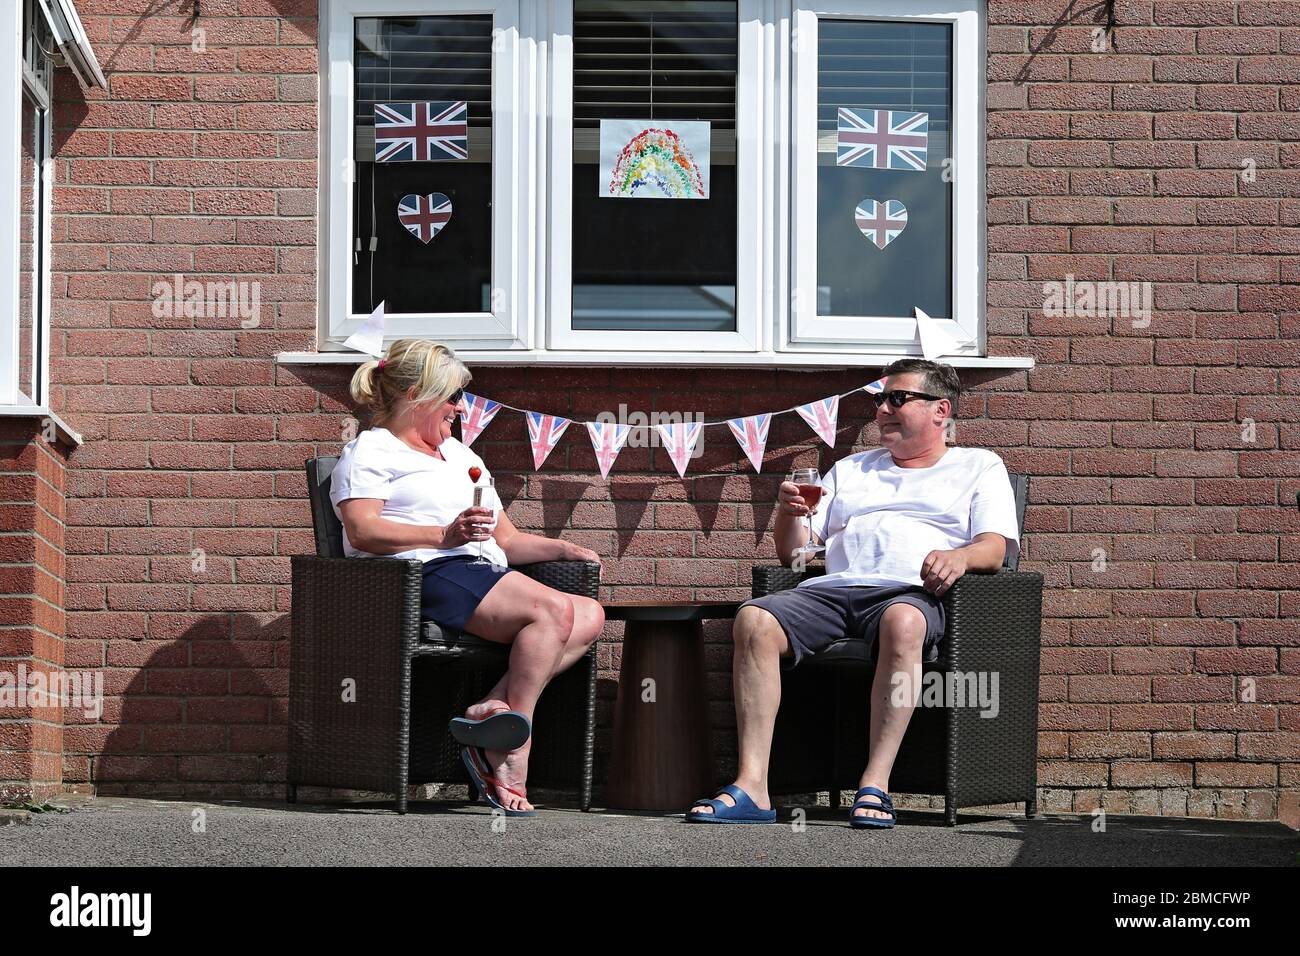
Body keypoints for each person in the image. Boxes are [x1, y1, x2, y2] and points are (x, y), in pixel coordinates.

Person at [688, 359, 1020, 828]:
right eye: (880, 400)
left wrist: (960, 557)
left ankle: (874, 785)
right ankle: (754, 788)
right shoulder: (850, 469)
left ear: (940, 410)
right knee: (754, 619)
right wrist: (787, 514)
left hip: (908, 592)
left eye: (897, 398)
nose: (882, 408)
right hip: (832, 591)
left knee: (902, 622)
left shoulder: (978, 466)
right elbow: (795, 557)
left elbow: (996, 547)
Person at [330, 339, 604, 816]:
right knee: (555, 611)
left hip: (479, 569)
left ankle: (489, 715)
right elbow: (362, 529)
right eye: (453, 396)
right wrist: (444, 535)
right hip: (422, 575)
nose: (461, 408)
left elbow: (509, 540)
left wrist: (562, 547)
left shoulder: (458, 455)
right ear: (417, 394)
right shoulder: (371, 450)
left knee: (589, 613)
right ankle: (513, 748)